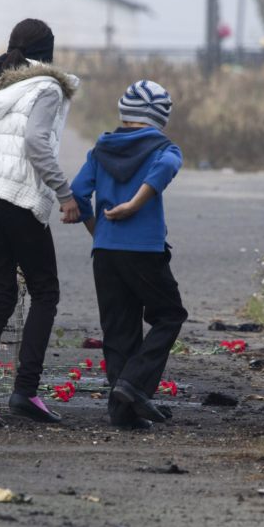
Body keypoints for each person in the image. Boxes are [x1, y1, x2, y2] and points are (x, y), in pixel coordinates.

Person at [0, 18, 91, 427]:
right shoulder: (47, 87)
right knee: (45, 291)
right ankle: (26, 392)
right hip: (15, 195)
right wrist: (65, 194)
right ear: (48, 52)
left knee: (1, 294)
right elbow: (35, 142)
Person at [71, 80, 188, 430]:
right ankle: (134, 384)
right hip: (144, 251)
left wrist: (99, 231)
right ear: (158, 117)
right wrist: (135, 205)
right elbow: (165, 169)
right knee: (169, 315)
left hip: (105, 252)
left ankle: (123, 414)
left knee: (118, 327)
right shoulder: (164, 149)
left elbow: (77, 192)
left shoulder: (99, 150)